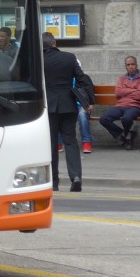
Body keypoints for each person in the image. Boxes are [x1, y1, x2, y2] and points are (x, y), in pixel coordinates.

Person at [42, 32, 85, 191]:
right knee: (70, 141)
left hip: (50, 107)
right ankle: (76, 177)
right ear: (54, 43)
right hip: (68, 105)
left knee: (52, 144)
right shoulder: (69, 57)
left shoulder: (40, 61)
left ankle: (54, 182)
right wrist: (88, 100)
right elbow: (82, 79)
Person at [99, 55, 140, 149]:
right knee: (104, 119)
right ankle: (125, 135)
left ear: (136, 65)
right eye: (128, 64)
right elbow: (118, 93)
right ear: (125, 66)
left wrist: (125, 91)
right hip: (120, 105)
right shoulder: (122, 78)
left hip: (135, 106)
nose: (130, 66)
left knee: (126, 118)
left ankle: (128, 138)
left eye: (132, 64)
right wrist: (134, 90)